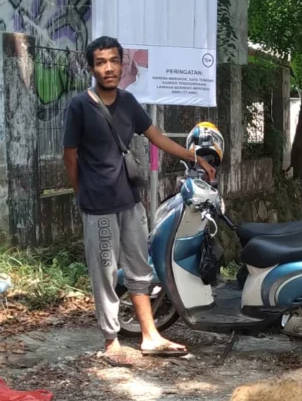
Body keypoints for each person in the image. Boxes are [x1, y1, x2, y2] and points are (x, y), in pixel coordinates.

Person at [63, 35, 217, 362]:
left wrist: (194, 158)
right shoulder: (80, 105)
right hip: (98, 206)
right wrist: (83, 194)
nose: (108, 68)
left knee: (139, 269)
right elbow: (70, 157)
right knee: (104, 272)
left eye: (114, 61)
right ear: (91, 67)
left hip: (130, 201)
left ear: (122, 64)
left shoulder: (129, 103)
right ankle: (111, 342)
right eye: (101, 62)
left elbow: (157, 137)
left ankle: (150, 336)